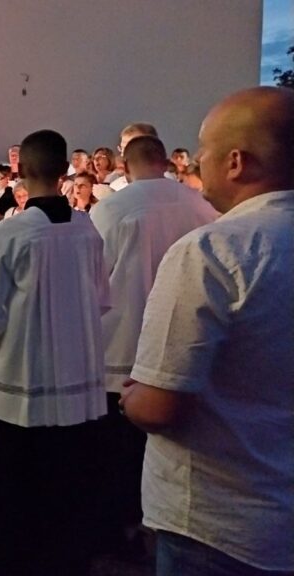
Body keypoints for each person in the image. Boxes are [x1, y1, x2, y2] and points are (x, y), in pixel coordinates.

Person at [120, 87, 294, 576]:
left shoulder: (213, 251)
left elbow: (160, 405)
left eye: (203, 147)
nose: (195, 160)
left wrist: (131, 396)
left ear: (236, 161)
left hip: (218, 522)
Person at [0, 129, 110, 576]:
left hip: (24, 386)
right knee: (68, 492)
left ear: (20, 174)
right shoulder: (88, 230)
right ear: (66, 169)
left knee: (16, 496)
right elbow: (102, 300)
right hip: (80, 383)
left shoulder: (13, 232)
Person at [88, 133, 218, 558]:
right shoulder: (201, 207)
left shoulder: (111, 209)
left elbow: (94, 275)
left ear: (125, 165)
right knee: (169, 444)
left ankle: (114, 530)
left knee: (115, 448)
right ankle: (156, 525)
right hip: (185, 341)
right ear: (164, 162)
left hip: (120, 341)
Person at [109, 122, 159, 192]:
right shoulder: (116, 186)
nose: (122, 154)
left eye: (129, 148)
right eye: (122, 148)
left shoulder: (165, 184)